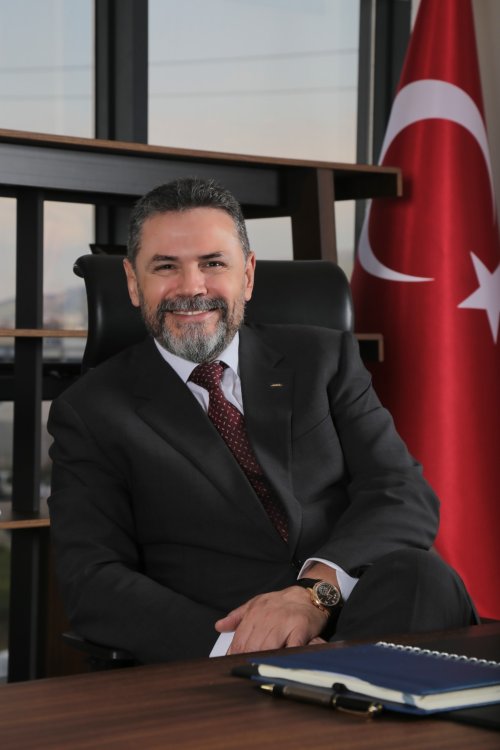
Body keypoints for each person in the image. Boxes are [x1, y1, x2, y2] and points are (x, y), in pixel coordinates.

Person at [48, 177, 476, 664]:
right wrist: (241, 645)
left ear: (247, 275)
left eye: (213, 263)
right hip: (232, 644)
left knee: (423, 576)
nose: (192, 288)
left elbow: (400, 491)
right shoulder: (91, 411)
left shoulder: (322, 359)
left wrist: (314, 595)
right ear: (132, 282)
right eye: (166, 266)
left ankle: (333, 686)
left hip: (363, 611)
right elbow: (93, 580)